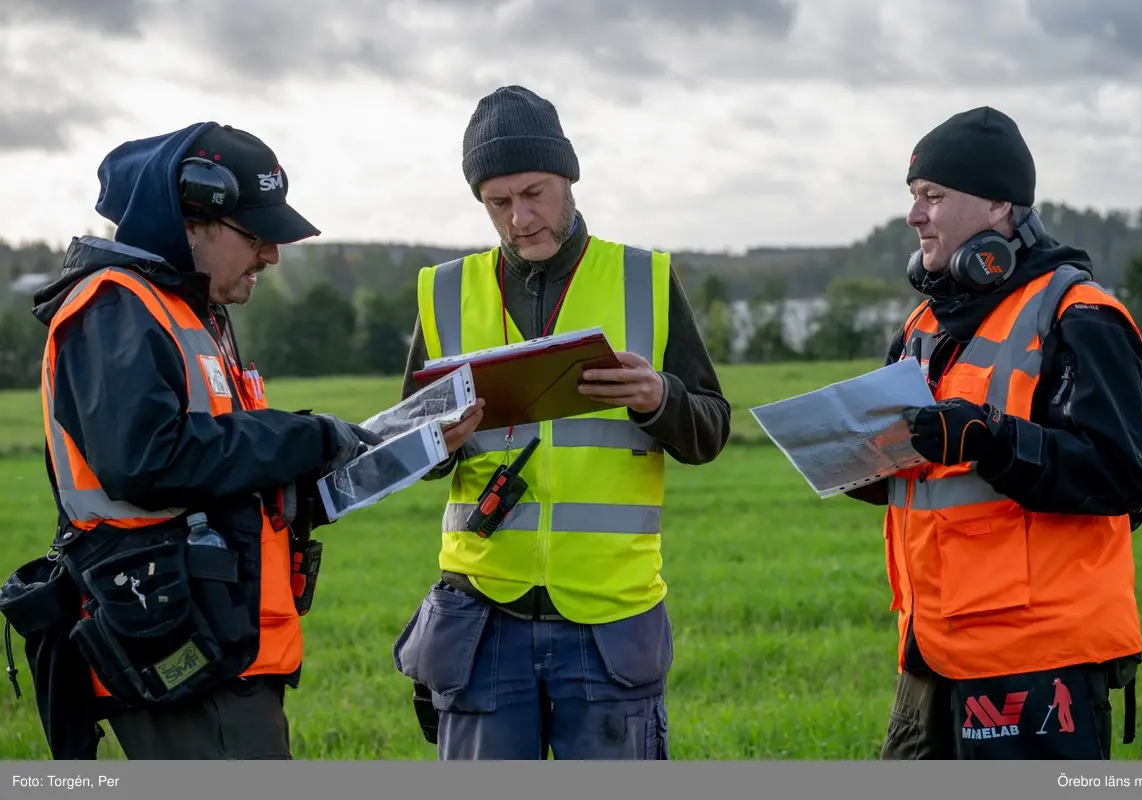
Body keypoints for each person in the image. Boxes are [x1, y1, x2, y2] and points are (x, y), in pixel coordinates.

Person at [10, 122, 379, 760]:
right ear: (190, 218)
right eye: (256, 236)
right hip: (174, 643)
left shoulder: (191, 310)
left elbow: (225, 466)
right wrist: (304, 437)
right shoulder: (115, 307)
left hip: (220, 642)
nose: (271, 255)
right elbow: (148, 461)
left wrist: (369, 452)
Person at [391, 85, 731, 760]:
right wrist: (438, 441)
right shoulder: (446, 292)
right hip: (482, 617)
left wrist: (658, 398)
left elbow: (711, 430)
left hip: (608, 624)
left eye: (535, 192)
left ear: (568, 180)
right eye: (499, 202)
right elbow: (409, 449)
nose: (521, 218)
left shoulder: (646, 278)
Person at [847, 106, 1142, 760]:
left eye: (933, 196)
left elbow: (1121, 475)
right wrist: (858, 462)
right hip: (931, 648)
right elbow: (922, 470)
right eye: (913, 197)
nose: (914, 215)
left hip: (1040, 659)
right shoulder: (924, 322)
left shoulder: (1080, 315)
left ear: (995, 206)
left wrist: (989, 439)